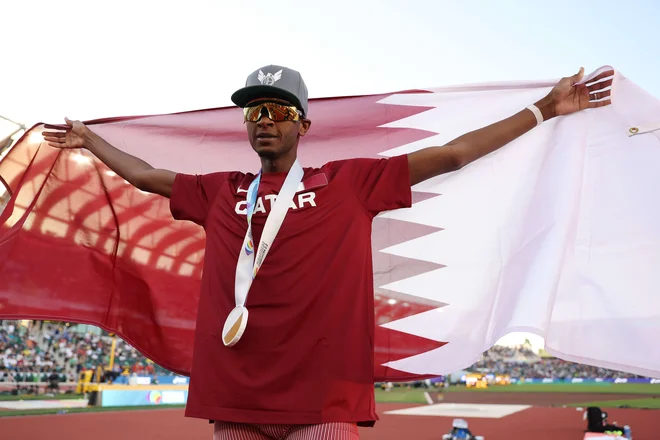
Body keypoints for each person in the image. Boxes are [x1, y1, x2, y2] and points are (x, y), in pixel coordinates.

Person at [42, 64, 612, 440]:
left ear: (304, 125)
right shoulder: (220, 190)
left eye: (280, 111)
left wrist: (544, 108)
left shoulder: (347, 183)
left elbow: (453, 154)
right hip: (237, 395)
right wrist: (90, 141)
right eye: (255, 112)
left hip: (322, 400)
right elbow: (147, 176)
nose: (266, 122)